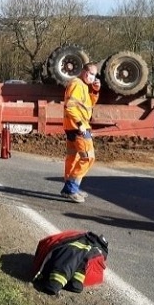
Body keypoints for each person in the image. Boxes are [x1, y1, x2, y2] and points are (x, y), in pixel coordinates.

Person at [61, 63, 101, 203]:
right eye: (91, 74)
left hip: (73, 127)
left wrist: (95, 90)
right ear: (84, 72)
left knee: (73, 157)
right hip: (78, 127)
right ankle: (71, 188)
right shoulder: (77, 84)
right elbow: (69, 107)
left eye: (95, 75)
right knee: (88, 157)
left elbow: (89, 105)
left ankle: (69, 187)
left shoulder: (82, 85)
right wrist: (80, 124)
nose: (92, 77)